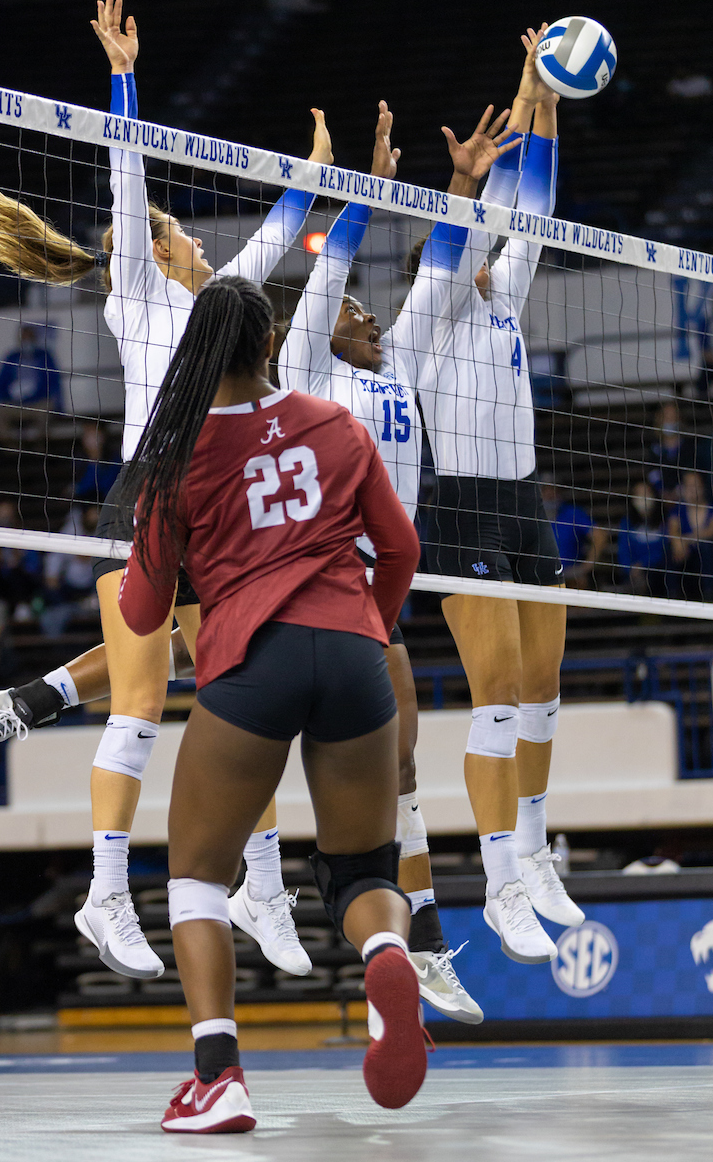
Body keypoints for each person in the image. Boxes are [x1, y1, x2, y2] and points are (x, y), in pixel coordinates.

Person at [0, 0, 328, 981]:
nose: (205, 245)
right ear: (161, 246)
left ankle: (260, 883)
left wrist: (317, 180)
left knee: (247, 696)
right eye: (186, 239)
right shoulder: (139, 292)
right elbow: (128, 179)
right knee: (142, 704)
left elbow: (269, 249)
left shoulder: (217, 310)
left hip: (216, 512)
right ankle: (105, 895)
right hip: (152, 497)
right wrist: (122, 74)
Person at [118, 275, 424, 1130]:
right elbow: (400, 548)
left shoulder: (174, 455)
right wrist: (370, 624)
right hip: (356, 648)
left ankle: (217, 1079)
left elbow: (143, 613)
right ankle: (390, 949)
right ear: (268, 345)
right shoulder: (338, 425)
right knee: (361, 869)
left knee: (197, 877)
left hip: (253, 655)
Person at [277, 100, 518, 1023]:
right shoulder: (310, 371)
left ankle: (408, 957)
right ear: (318, 325)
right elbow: (329, 264)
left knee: (405, 769)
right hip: (319, 589)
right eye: (351, 310)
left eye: (370, 309)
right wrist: (368, 190)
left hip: (379, 601)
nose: (369, 314)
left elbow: (444, 273)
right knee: (363, 774)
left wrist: (461, 185)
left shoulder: (397, 366)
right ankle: (286, 897)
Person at [417, 25, 584, 964]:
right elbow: (475, 220)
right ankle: (498, 880)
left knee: (545, 686)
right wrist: (465, 184)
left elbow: (538, 199)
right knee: (499, 693)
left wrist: (544, 89)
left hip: (525, 503)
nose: (487, 256)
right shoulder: (434, 313)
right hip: (466, 508)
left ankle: (532, 844)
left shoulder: (502, 297)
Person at [0, 323, 62, 442]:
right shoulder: (12, 357)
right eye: (24, 338)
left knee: (47, 410)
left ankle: (40, 448)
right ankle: (11, 448)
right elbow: (1, 382)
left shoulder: (45, 356)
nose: (27, 341)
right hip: (14, 403)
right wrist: (9, 395)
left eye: (30, 338)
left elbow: (52, 381)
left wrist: (35, 395)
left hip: (38, 403)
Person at [40, 505, 101, 636]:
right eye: (92, 515)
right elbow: (55, 556)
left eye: (97, 515)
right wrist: (52, 575)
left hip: (93, 584)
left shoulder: (104, 530)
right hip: (69, 587)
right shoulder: (72, 529)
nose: (94, 518)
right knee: (51, 596)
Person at [540, 478, 609, 590]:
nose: (549, 494)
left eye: (553, 490)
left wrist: (587, 566)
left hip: (569, 575)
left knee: (580, 582)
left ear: (559, 492)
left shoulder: (572, 514)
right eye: (545, 490)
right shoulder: (533, 516)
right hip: (539, 576)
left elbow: (599, 535)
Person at [0, 499, 43, 613]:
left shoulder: (25, 536)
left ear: (14, 516)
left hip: (22, 581)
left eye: (7, 515)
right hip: (1, 580)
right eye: (1, 515)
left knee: (16, 571)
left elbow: (34, 566)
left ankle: (22, 605)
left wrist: (20, 560)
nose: (4, 520)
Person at [667, 470, 713, 600]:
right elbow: (673, 531)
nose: (692, 490)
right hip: (686, 557)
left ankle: (710, 595)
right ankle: (673, 596)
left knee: (707, 547)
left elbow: (712, 531)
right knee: (670, 551)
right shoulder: (677, 510)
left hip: (709, 556)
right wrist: (678, 544)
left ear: (703, 487)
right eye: (689, 485)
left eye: (696, 485)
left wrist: (684, 540)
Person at [617, 480, 669, 597]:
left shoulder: (664, 521)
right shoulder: (627, 522)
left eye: (646, 493)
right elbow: (623, 550)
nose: (643, 498)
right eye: (638, 494)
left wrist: (643, 565)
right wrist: (630, 568)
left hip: (657, 572)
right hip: (632, 573)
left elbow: (665, 551)